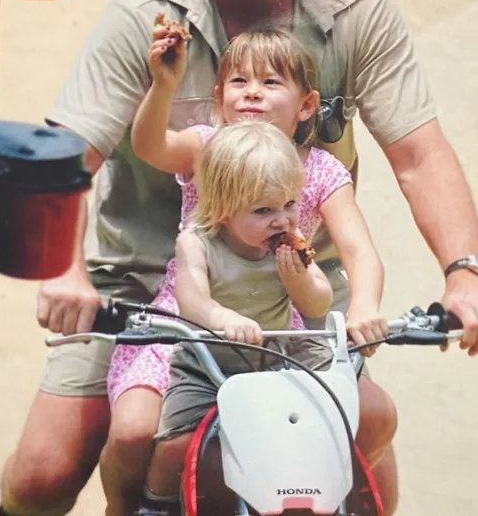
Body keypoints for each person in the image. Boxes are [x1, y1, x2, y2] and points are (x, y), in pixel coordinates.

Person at [0, 0, 478, 515]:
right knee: (42, 473)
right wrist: (66, 277)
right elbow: (64, 156)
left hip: (295, 283)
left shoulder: (354, 8)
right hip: (148, 286)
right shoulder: (148, 18)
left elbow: (419, 154)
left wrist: (465, 274)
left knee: (366, 463)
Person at [100, 28, 388, 515]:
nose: (252, 91)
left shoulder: (319, 171)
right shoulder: (207, 148)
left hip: (278, 325)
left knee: (373, 415)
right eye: (239, 80)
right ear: (219, 97)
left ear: (306, 104)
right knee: (134, 431)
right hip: (190, 322)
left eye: (271, 81)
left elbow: (360, 252)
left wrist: (364, 309)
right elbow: (150, 146)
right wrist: (164, 85)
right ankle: (130, 508)